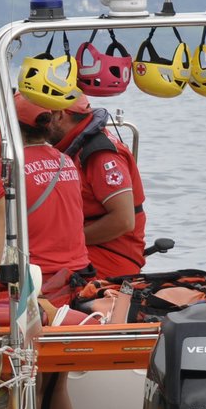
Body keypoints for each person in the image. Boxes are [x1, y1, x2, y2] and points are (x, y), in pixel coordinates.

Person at [0, 95, 93, 305]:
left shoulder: (7, 166)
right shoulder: (65, 160)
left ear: (12, 125)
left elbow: (1, 231)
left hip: (37, 279)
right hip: (78, 275)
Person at [43, 94, 148, 279]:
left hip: (111, 257)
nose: (41, 126)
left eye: (44, 118)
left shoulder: (101, 155)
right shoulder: (78, 147)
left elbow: (123, 220)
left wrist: (66, 240)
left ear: (59, 115)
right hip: (89, 247)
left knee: (36, 268)